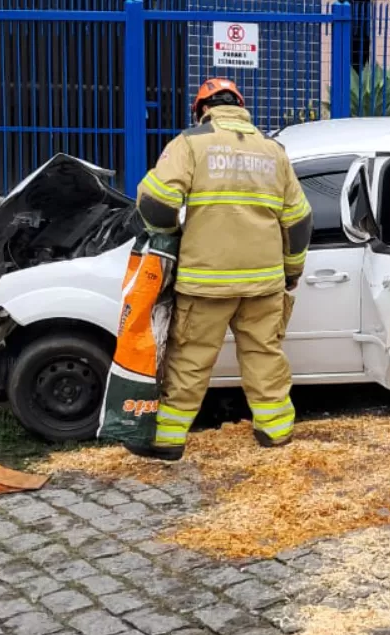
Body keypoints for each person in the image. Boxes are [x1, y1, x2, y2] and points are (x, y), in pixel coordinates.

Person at [126, 77, 312, 461]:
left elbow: (155, 203)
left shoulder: (191, 143)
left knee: (191, 360)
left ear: (202, 109)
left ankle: (168, 440)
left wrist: (171, 238)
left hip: (205, 282)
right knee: (264, 356)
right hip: (263, 283)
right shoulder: (273, 151)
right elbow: (299, 221)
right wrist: (291, 270)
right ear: (241, 107)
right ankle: (275, 433)